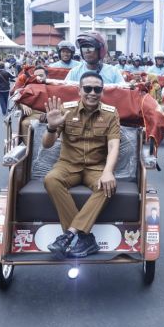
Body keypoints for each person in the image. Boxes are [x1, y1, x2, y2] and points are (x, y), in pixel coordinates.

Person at [42, 72, 120, 258]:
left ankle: (69, 235)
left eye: (97, 89)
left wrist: (108, 172)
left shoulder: (111, 114)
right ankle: (85, 238)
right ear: (79, 90)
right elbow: (47, 144)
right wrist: (51, 127)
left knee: (107, 185)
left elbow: (113, 146)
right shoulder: (65, 110)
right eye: (88, 88)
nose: (92, 93)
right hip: (68, 165)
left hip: (96, 167)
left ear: (102, 92)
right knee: (51, 179)